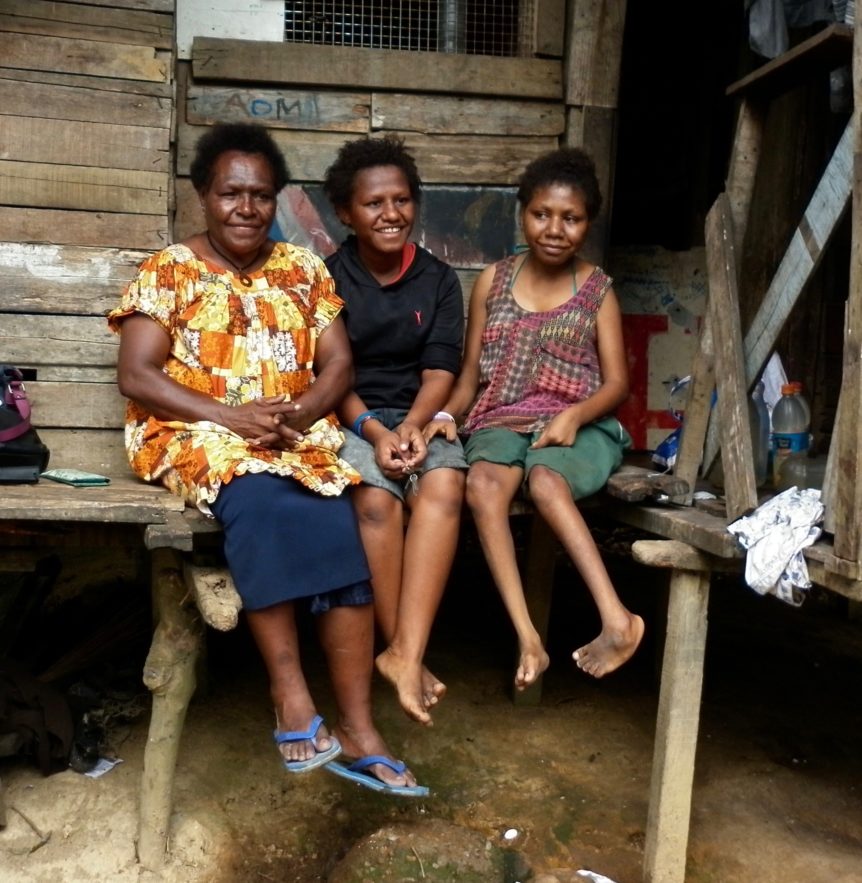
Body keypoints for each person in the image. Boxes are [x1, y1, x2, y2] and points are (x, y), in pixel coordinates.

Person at [108, 122, 426, 796]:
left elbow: (339, 363)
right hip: (195, 432)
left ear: (275, 198)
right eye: (230, 193)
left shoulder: (302, 269)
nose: (245, 207)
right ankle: (292, 697)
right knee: (257, 496)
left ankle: (359, 727)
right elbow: (136, 374)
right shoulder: (170, 270)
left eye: (260, 194)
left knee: (335, 514)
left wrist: (303, 413)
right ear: (203, 194)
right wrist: (232, 417)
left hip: (291, 434)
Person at [426, 146, 644, 692]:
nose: (554, 229)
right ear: (522, 213)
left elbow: (617, 383)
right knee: (482, 485)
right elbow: (470, 373)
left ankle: (618, 621)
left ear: (587, 224)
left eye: (571, 218)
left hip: (580, 423)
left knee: (546, 481)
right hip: (501, 418)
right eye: (542, 214)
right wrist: (447, 413)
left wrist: (574, 415)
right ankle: (528, 637)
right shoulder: (492, 281)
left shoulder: (596, 290)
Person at [322, 135, 466, 727]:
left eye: (402, 200)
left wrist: (412, 425)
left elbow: (441, 369)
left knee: (444, 486)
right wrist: (376, 432)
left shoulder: (439, 280)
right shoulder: (327, 278)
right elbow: (333, 375)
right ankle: (403, 653)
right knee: (377, 498)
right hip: (351, 415)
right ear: (345, 213)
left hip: (420, 414)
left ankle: (406, 652)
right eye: (374, 203)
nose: (391, 214)